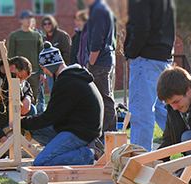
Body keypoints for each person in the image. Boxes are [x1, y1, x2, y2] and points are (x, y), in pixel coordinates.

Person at [17, 42, 104, 166]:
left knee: (42, 162)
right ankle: (69, 151)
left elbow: (49, 117)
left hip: (81, 132)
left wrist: (21, 122)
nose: (45, 72)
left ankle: (89, 153)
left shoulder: (66, 82)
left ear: (52, 66)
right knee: (33, 130)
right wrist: (26, 123)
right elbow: (53, 116)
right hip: (77, 127)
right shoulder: (71, 77)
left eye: (45, 68)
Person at [124, 0, 175, 151]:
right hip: (162, 57)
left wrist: (131, 51)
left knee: (141, 113)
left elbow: (140, 26)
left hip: (146, 58)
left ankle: (139, 162)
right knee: (164, 110)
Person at [84, 0, 117, 136]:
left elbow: (97, 38)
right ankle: (107, 134)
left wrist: (91, 62)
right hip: (103, 60)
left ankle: (108, 135)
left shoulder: (98, 9)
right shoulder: (100, 8)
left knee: (103, 99)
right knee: (104, 98)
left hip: (99, 62)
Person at [8, 10, 45, 114]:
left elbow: (41, 54)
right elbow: (10, 55)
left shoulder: (37, 35)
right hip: (18, 73)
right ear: (21, 20)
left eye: (30, 18)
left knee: (34, 98)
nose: (29, 20)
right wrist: (11, 73)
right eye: (26, 18)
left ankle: (31, 120)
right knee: (17, 97)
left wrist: (42, 72)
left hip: (34, 72)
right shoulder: (14, 35)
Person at [41, 15, 71, 92]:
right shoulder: (43, 38)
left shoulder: (62, 35)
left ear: (53, 23)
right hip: (51, 71)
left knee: (64, 89)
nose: (47, 25)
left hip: (61, 69)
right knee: (53, 89)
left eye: (49, 23)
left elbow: (68, 52)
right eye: (45, 24)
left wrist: (66, 67)